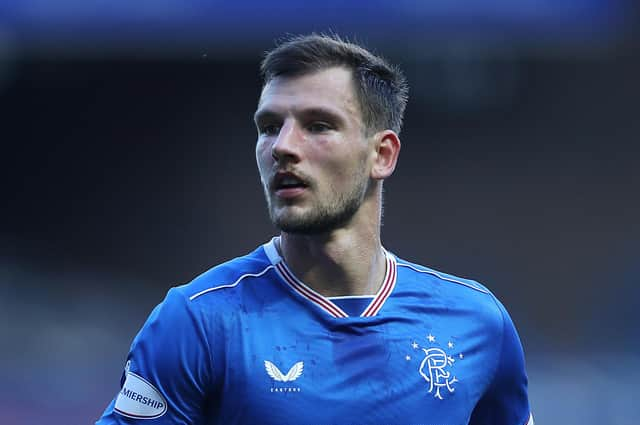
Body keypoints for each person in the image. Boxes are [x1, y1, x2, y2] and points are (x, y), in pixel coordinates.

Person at [97, 33, 533, 425]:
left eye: (318, 125)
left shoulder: (476, 324)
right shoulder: (198, 323)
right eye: (269, 128)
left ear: (381, 155)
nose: (283, 147)